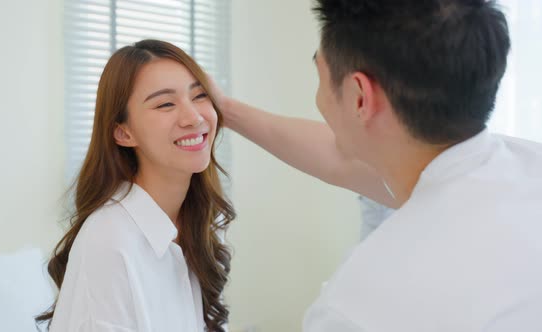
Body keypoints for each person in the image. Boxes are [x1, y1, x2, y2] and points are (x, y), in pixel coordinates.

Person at [212, 0, 542, 330]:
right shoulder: (526, 166)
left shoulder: (356, 308)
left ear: (359, 97)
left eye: (322, 78)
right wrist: (226, 111)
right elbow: (339, 159)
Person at [36, 39, 235, 332]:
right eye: (166, 103)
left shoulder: (192, 223)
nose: (193, 117)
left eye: (200, 95)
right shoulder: (110, 241)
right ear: (123, 133)